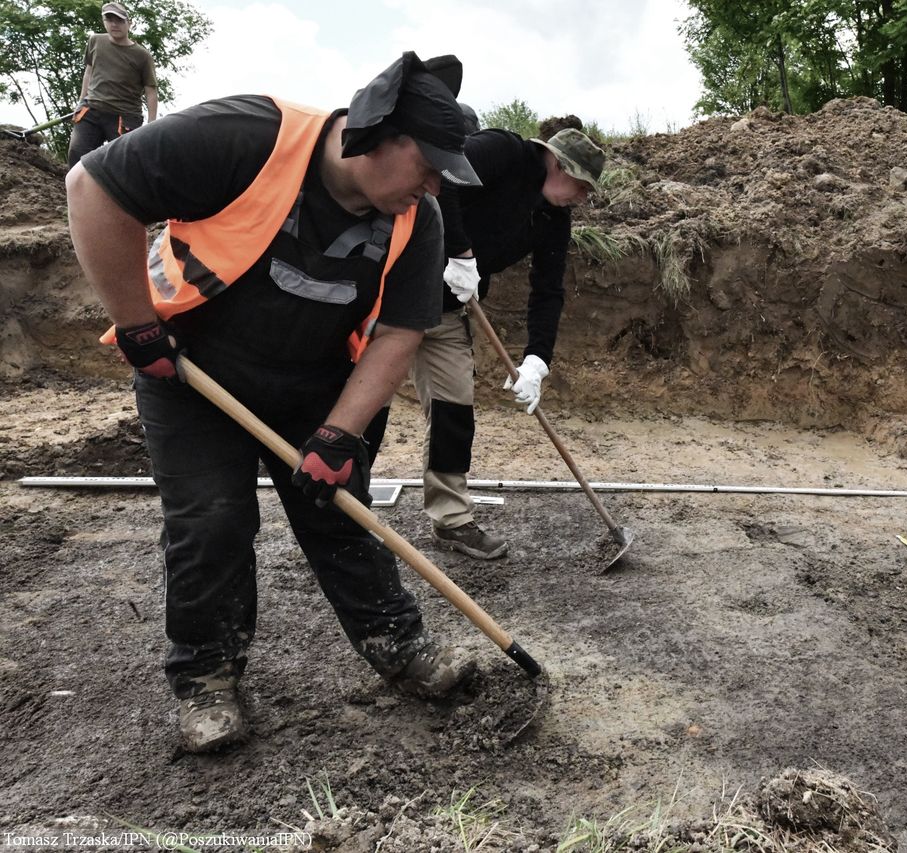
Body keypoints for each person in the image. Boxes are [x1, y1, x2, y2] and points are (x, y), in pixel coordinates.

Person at [65, 51, 483, 754]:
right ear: (376, 134)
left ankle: (400, 646)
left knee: (341, 511)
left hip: (316, 381)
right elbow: (92, 187)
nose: (434, 185)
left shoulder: (421, 220)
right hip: (192, 369)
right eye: (429, 164)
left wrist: (340, 436)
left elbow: (401, 331)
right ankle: (206, 678)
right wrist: (139, 324)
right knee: (212, 520)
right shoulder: (245, 135)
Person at [413, 122, 605, 559]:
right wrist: (460, 252)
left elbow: (548, 290)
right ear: (557, 163)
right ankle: (345, 506)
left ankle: (452, 521)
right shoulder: (503, 151)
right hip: (394, 289)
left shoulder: (554, 217)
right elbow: (442, 178)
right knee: (368, 402)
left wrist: (538, 360)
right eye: (582, 185)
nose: (583, 197)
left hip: (447, 309)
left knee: (454, 411)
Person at [67, 2, 157, 168]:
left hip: (124, 116)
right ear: (104, 21)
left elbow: (151, 89)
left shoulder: (142, 55)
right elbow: (89, 71)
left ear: (130, 23)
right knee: (77, 153)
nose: (114, 24)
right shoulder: (95, 41)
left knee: (123, 164)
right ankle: (75, 193)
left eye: (119, 20)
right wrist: (80, 102)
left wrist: (152, 123)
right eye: (109, 19)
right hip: (91, 109)